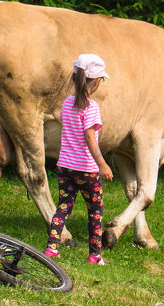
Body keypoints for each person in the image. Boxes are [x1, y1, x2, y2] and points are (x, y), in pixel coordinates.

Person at [45, 53, 114, 264]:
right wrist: (102, 164)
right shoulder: (91, 108)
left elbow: (68, 125)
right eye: (100, 80)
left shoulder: (67, 104)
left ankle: (52, 248)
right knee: (95, 211)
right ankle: (95, 255)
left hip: (65, 166)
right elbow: (90, 137)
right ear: (94, 83)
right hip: (86, 169)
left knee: (63, 206)